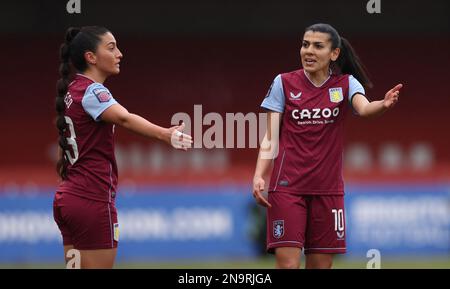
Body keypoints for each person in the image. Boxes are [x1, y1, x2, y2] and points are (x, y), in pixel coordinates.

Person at [252, 23, 402, 269]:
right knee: (288, 265)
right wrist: (259, 175)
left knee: (321, 266)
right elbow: (270, 137)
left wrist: (383, 105)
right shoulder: (283, 83)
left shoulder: (346, 84)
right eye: (305, 44)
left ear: (334, 54)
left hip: (328, 191)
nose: (308, 51)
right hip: (288, 188)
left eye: (317, 46)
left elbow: (364, 109)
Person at [53, 26, 192, 269]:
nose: (119, 54)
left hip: (67, 199)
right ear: (91, 57)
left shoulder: (72, 90)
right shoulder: (93, 91)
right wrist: (164, 134)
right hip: (92, 200)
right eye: (111, 47)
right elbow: (124, 118)